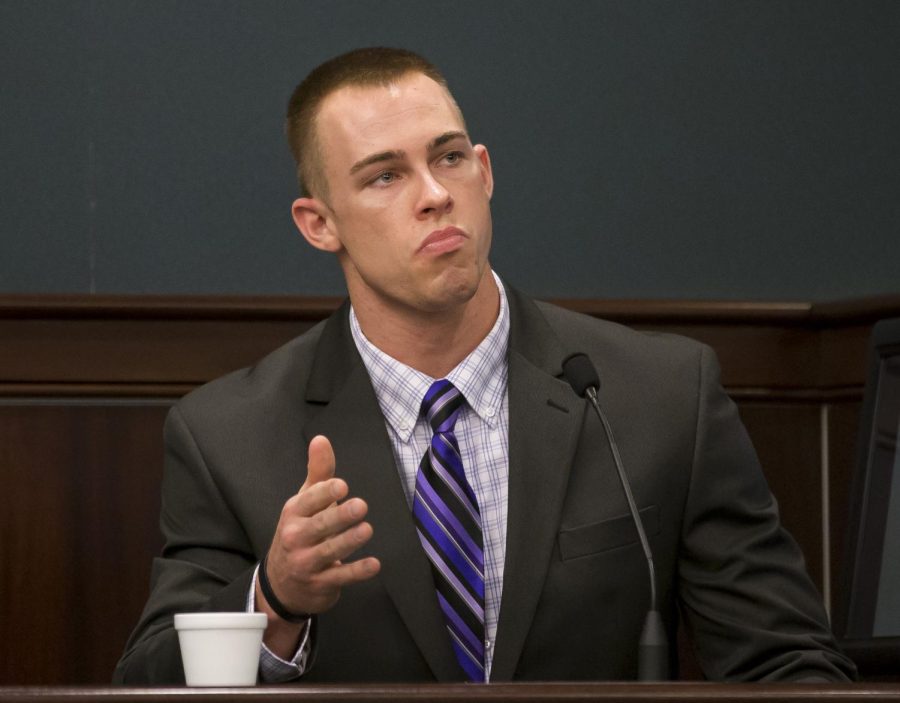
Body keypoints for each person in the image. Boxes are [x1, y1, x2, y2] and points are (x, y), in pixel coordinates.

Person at [114, 47, 855, 684]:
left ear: (486, 170)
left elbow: (788, 665)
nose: (436, 195)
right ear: (319, 223)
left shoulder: (659, 397)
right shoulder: (230, 435)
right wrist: (273, 601)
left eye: (449, 157)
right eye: (384, 176)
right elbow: (150, 681)